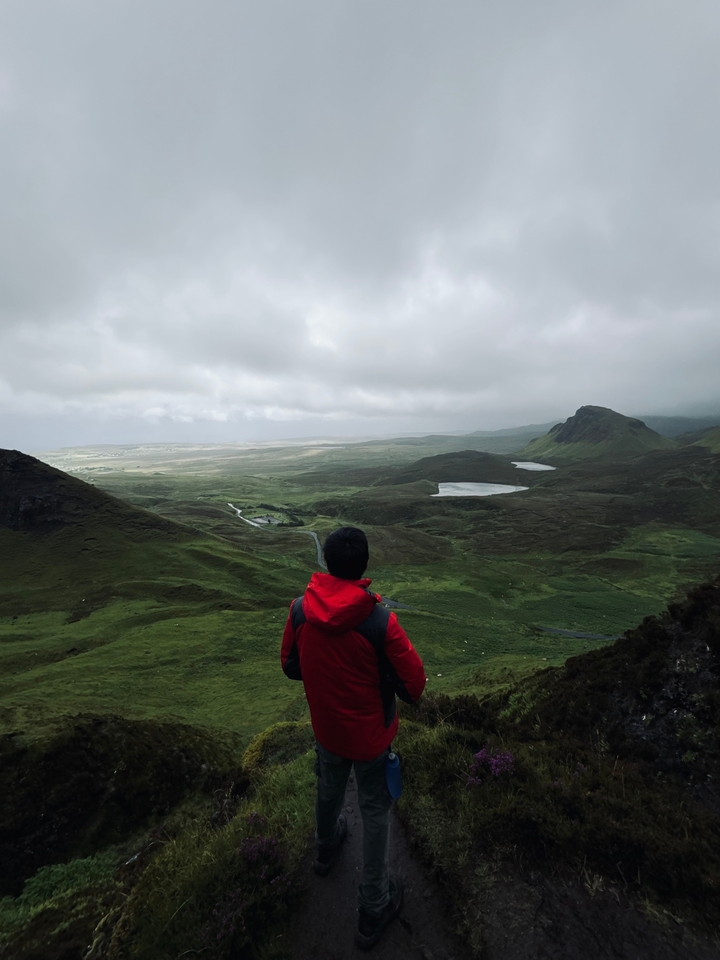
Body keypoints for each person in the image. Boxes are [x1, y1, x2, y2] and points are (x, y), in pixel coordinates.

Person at [280, 526, 426, 949]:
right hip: (371, 739)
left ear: (327, 563)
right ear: (363, 567)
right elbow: (414, 687)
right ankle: (373, 905)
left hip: (327, 729)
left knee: (328, 787)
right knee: (375, 811)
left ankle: (325, 849)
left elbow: (290, 665)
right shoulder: (380, 622)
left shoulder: (299, 611)